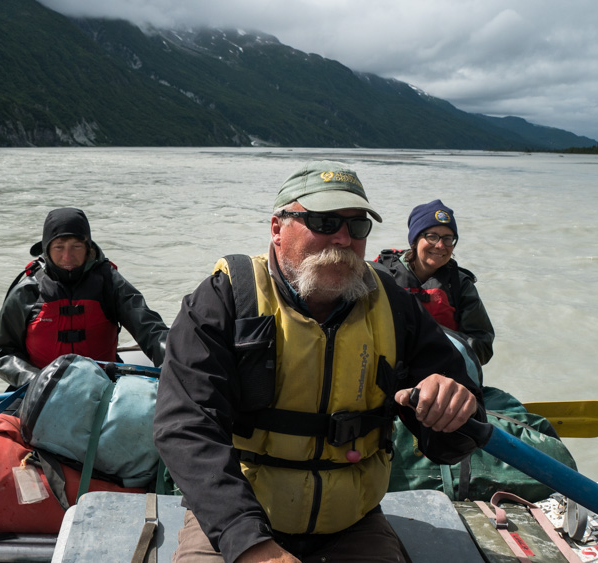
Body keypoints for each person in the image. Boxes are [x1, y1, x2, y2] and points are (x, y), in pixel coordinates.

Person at [153, 162, 485, 562]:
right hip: (236, 520)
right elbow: (186, 426)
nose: (343, 239)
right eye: (324, 222)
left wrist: (453, 409)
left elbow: (455, 439)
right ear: (277, 228)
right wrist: (250, 545)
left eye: (357, 226)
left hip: (351, 524)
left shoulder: (396, 306)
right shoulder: (225, 298)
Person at [0, 207, 167, 388]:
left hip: (103, 385)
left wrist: (174, 361)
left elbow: (150, 330)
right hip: (40, 392)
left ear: (88, 248)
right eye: (59, 247)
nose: (67, 256)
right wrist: (34, 381)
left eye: (76, 246)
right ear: (47, 249)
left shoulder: (109, 282)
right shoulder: (28, 290)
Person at [373, 200, 495, 366]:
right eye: (431, 237)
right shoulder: (382, 274)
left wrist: (434, 341)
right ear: (415, 240)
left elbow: (483, 346)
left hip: (440, 374)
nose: (440, 245)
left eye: (448, 239)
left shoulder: (461, 285)